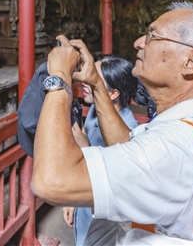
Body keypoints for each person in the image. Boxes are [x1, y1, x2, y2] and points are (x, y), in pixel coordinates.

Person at [32, 2, 193, 245]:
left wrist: (59, 77)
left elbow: (51, 181)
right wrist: (96, 83)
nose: (139, 42)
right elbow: (129, 146)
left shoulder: (175, 147)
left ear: (192, 61)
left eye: (153, 36)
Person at [62, 55, 140, 246]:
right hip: (84, 199)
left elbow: (117, 181)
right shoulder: (95, 110)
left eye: (94, 78)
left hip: (104, 210)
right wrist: (72, 199)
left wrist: (85, 147)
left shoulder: (129, 130)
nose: (84, 81)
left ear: (112, 93)